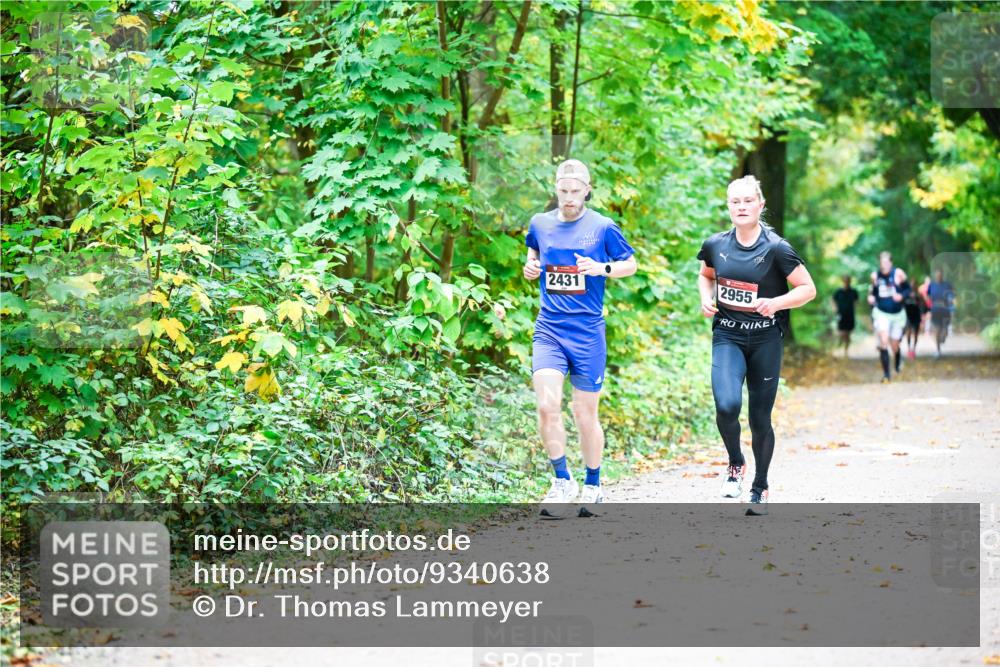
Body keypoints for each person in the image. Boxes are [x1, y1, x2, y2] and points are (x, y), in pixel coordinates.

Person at [697, 175, 816, 516]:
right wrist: (706, 300)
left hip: (765, 338)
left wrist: (776, 303)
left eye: (748, 201)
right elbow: (706, 275)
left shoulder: (777, 248)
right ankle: (735, 462)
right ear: (728, 207)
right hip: (728, 335)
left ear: (761, 205)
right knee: (726, 405)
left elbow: (807, 289)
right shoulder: (715, 245)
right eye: (735, 202)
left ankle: (760, 486)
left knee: (759, 418)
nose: (742, 207)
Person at [524, 159, 637, 517]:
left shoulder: (603, 227)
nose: (569, 198)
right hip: (550, 329)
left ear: (587, 190)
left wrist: (602, 268)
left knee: (584, 414)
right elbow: (533, 256)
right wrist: (529, 268)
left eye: (575, 191)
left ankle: (593, 484)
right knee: (546, 405)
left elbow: (629, 264)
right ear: (555, 189)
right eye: (563, 191)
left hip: (587, 332)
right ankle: (561, 481)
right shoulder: (539, 224)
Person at [867, 251, 910, 383]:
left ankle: (897, 359)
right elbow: (873, 292)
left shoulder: (899, 274)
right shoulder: (875, 276)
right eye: (882, 262)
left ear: (891, 262)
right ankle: (886, 375)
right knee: (884, 341)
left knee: (894, 344)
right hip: (881, 312)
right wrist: (871, 297)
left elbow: (908, 289)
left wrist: (901, 296)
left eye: (886, 262)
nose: (884, 264)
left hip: (897, 314)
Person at [928, 269, 956, 358]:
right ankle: (938, 350)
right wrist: (928, 309)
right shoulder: (931, 285)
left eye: (940, 274)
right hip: (935, 309)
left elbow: (952, 297)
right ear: (935, 275)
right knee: (937, 330)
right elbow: (927, 296)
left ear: (942, 275)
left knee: (945, 330)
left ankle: (942, 338)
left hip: (945, 309)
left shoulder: (947, 285)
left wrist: (952, 308)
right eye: (937, 274)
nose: (938, 276)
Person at [832, 275, 859, 358]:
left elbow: (857, 301)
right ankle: (839, 347)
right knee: (841, 333)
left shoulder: (853, 291)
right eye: (845, 281)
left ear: (850, 281)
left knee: (848, 334)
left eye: (848, 281)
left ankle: (845, 351)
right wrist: (835, 308)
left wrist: (854, 307)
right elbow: (833, 300)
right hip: (840, 315)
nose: (846, 282)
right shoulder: (838, 291)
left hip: (850, 315)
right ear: (843, 281)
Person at [903, 277, 923, 360]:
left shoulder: (918, 295)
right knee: (908, 332)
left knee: (915, 334)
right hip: (908, 316)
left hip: (916, 316)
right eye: (911, 284)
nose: (912, 285)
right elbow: (902, 303)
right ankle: (908, 349)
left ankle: (913, 349)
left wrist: (916, 298)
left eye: (914, 284)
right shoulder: (905, 294)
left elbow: (922, 305)